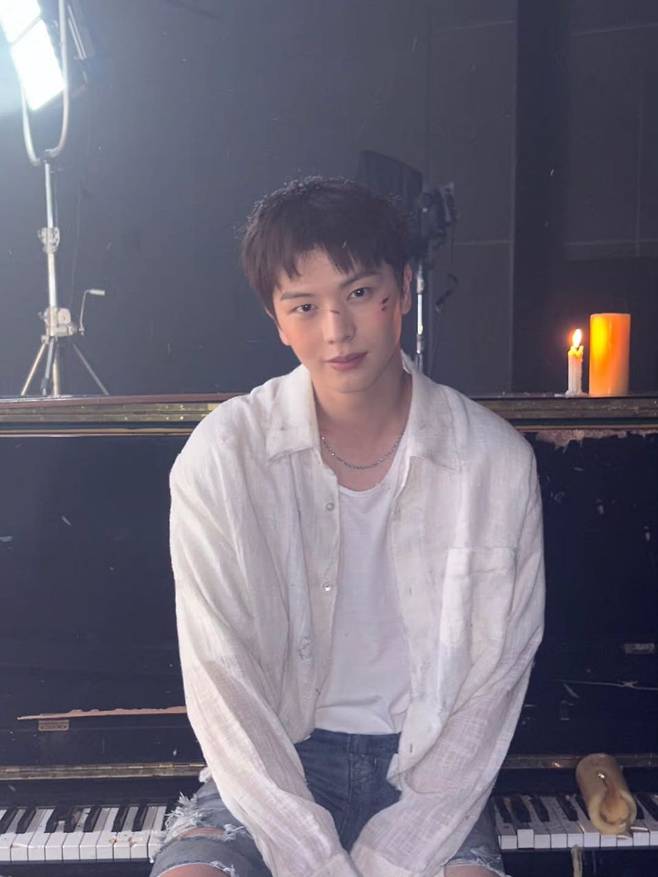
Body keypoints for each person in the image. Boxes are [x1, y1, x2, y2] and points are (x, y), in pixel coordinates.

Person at [150, 177, 545, 877]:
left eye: (360, 292)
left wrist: (395, 853)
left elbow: (495, 686)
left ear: (404, 286)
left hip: (430, 774)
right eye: (304, 306)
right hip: (275, 765)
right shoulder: (222, 457)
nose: (335, 330)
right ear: (278, 318)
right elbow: (222, 684)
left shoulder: (496, 462)